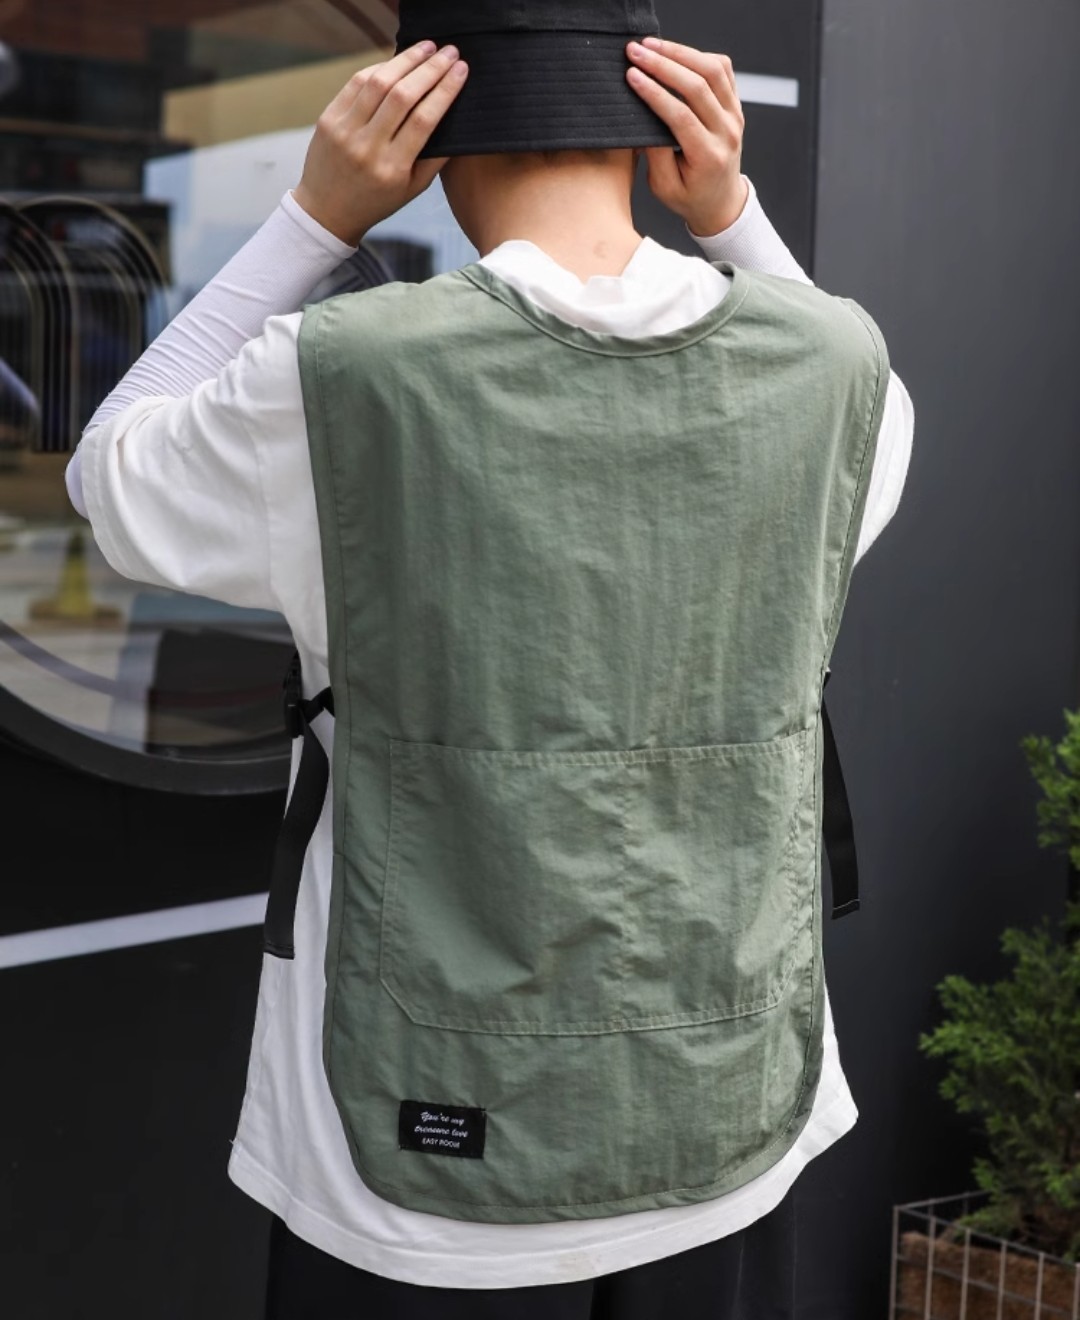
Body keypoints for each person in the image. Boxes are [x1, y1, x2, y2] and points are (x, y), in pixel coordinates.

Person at [65, 1, 915, 1314]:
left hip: (418, 1125)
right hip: (730, 1082)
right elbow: (877, 419)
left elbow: (112, 478)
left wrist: (312, 222)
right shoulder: (832, 364)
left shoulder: (342, 377)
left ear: (426, 139)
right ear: (653, 133)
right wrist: (735, 214)